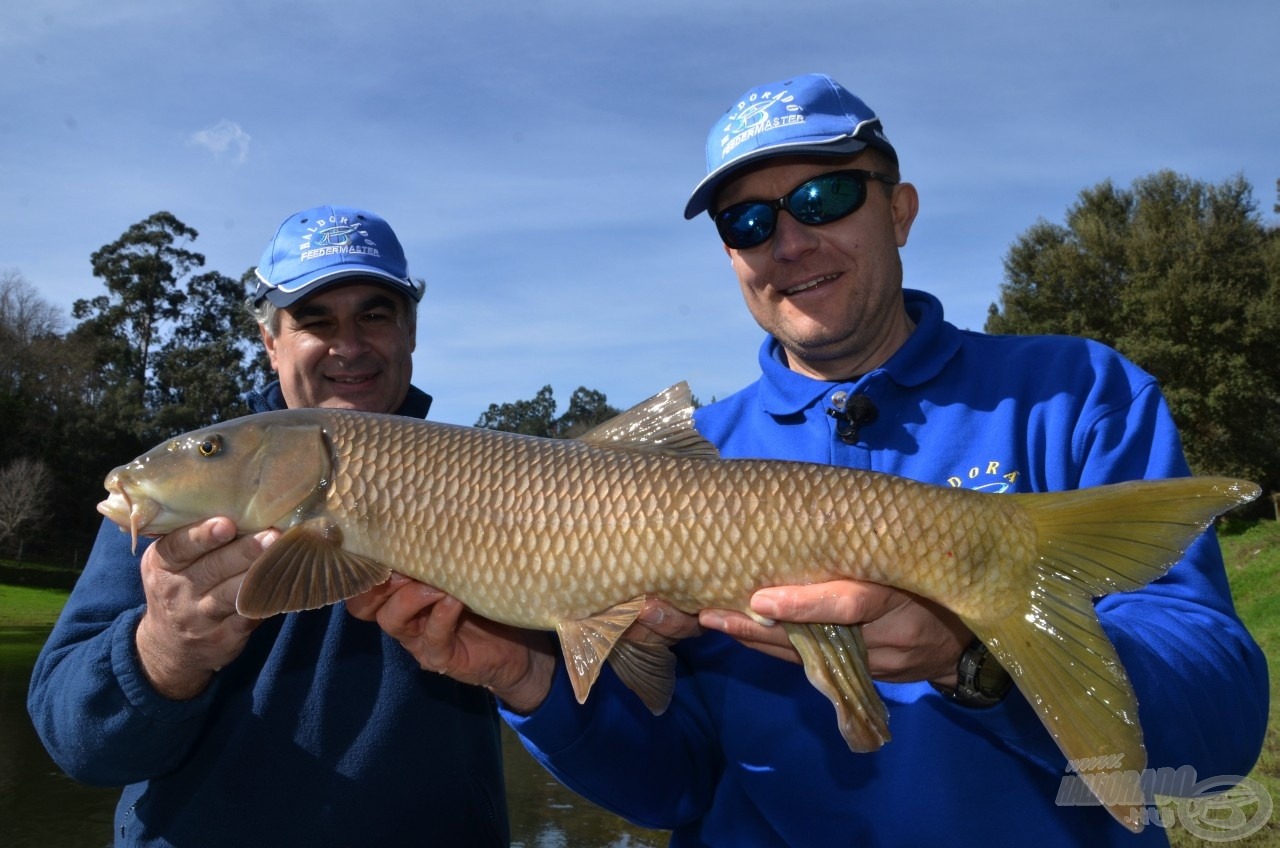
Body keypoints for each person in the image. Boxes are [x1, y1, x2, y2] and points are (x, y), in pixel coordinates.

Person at [348, 75, 1270, 846]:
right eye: (746, 223)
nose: (787, 243)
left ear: (899, 209)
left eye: (825, 198)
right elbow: (678, 788)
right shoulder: (686, 461)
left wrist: (970, 657)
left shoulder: (1073, 394)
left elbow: (1219, 740)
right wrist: (524, 678)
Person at [28, 206, 509, 846]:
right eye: (315, 320)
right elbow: (78, 745)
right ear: (270, 341)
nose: (350, 345)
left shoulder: (500, 484)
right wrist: (165, 653)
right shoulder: (177, 495)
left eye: (375, 313)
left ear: (410, 332)